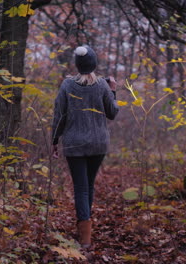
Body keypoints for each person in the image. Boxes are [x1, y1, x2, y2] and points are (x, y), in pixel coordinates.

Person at [51, 45, 119, 248]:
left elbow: (59, 115)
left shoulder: (67, 85)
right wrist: (113, 90)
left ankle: (85, 237)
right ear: (94, 64)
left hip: (74, 143)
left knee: (81, 187)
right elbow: (113, 113)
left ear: (77, 65)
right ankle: (85, 231)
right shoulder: (102, 86)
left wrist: (55, 140)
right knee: (87, 186)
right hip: (98, 143)